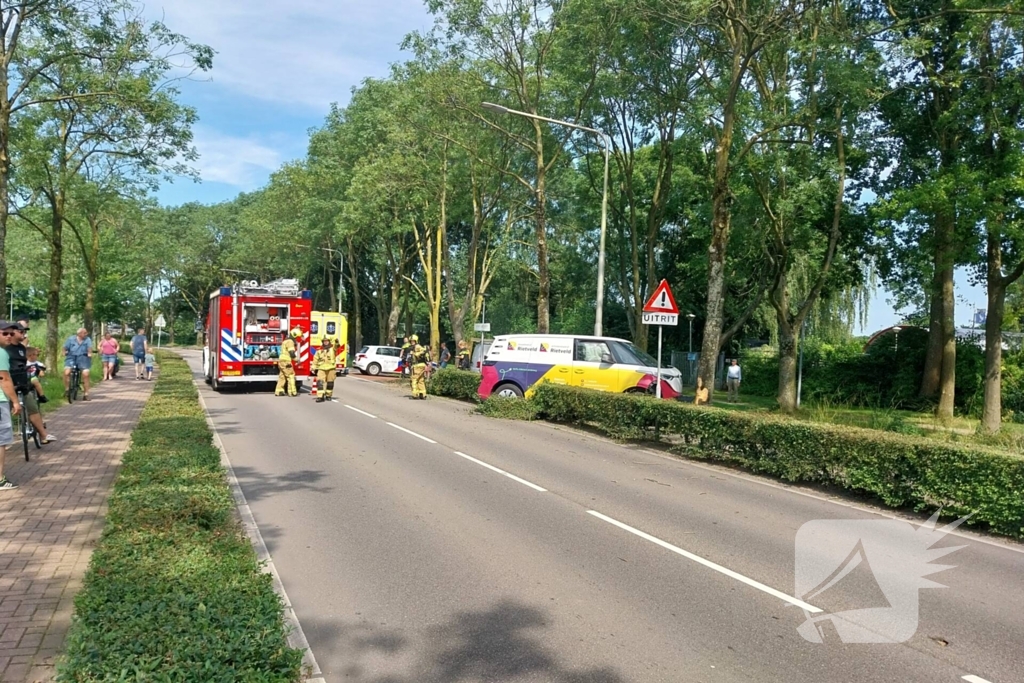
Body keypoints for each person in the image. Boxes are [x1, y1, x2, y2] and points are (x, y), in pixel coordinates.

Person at [5, 324, 54, 443]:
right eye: (21, 332)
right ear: (13, 332)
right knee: (5, 410)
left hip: (22, 382)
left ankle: (43, 435)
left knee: (32, 408)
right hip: (8, 384)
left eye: (24, 332)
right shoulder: (5, 348)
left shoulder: (22, 348)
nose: (24, 334)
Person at [0, 325, 21, 489]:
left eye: (11, 333)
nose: (9, 336)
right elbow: (4, 380)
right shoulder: (1, 353)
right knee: (0, 440)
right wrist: (15, 401)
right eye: (4, 333)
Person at [25, 347, 54, 443]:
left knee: (36, 381)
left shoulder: (37, 363)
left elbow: (42, 368)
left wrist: (41, 371)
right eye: (30, 355)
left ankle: (41, 396)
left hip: (33, 378)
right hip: (25, 380)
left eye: (34, 355)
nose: (32, 357)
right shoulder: (25, 364)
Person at [63, 328, 93, 400]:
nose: (86, 334)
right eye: (84, 333)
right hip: (71, 357)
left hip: (83, 358)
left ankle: (86, 394)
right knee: (66, 372)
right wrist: (64, 353)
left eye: (86, 333)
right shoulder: (71, 339)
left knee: (86, 374)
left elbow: (89, 348)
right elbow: (64, 348)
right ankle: (67, 389)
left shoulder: (87, 340)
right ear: (79, 334)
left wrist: (89, 353)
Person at [275, 327, 301, 397]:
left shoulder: (285, 341)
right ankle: (292, 392)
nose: (296, 339)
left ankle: (279, 391)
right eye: (297, 337)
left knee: (282, 376)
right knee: (291, 376)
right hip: (286, 362)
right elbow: (292, 353)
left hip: (281, 361)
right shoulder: (290, 342)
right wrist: (297, 359)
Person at [409, 335, 429, 400]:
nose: (412, 342)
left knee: (414, 379)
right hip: (422, 365)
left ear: (416, 341)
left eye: (413, 341)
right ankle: (423, 394)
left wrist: (414, 354)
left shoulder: (417, 347)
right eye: (411, 341)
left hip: (417, 365)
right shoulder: (418, 346)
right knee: (421, 380)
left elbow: (421, 353)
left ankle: (415, 395)